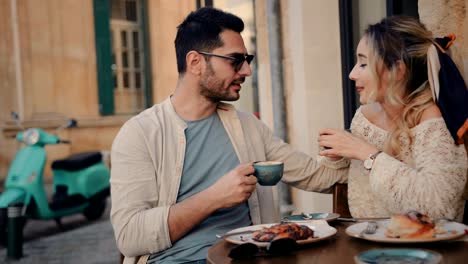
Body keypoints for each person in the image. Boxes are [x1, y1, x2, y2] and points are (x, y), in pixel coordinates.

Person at [110, 7, 347, 264]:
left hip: (251, 257)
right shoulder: (140, 133)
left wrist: (368, 154)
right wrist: (215, 197)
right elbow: (130, 236)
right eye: (235, 60)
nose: (246, 71)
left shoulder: (248, 127)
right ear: (195, 62)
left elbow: (318, 177)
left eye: (248, 60)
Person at [318, 16, 467, 221]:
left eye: (363, 64)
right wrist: (339, 156)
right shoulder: (364, 118)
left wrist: (365, 152)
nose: (352, 74)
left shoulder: (432, 121)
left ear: (397, 70)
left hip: (426, 249)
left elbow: (438, 207)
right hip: (364, 241)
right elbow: (357, 181)